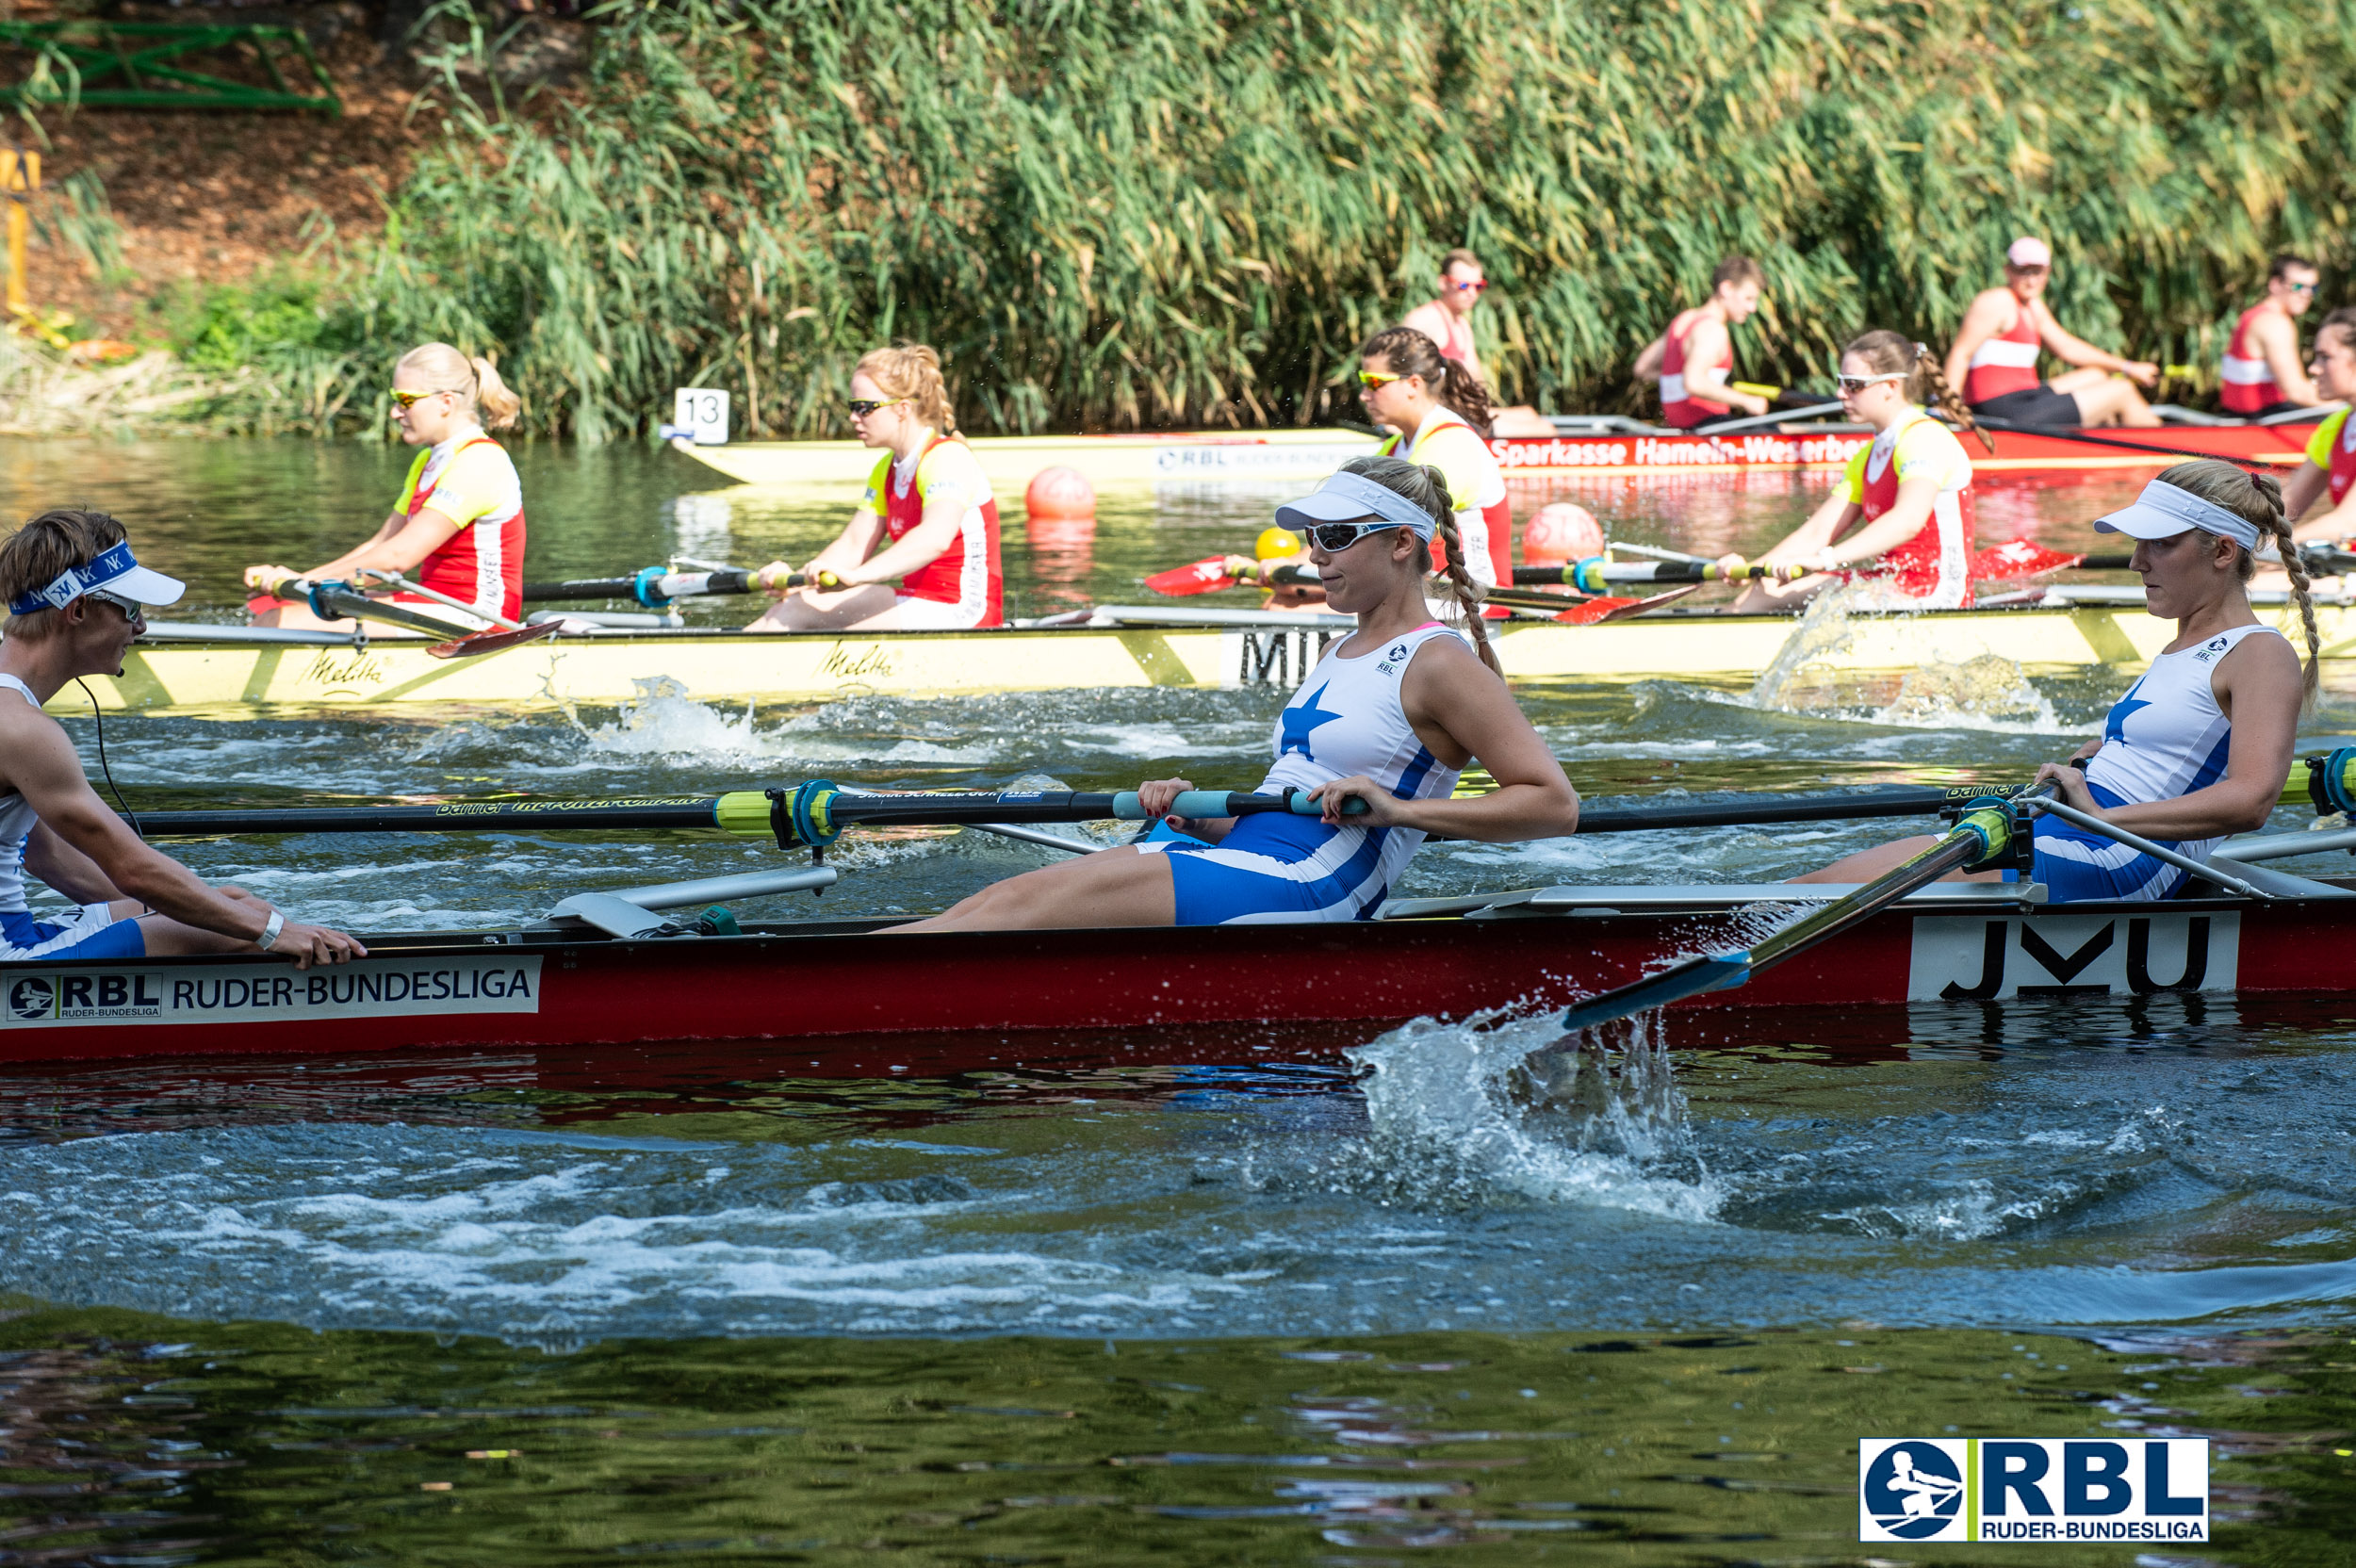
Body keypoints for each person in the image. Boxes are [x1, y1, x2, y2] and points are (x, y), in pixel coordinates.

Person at [892, 457, 1581, 931]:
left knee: (1016, 911)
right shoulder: (1340, 648)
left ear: (1403, 543)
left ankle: (806, 990)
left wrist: (1399, 809)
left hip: (1316, 886)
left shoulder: (1440, 662)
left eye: (1336, 537)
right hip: (1262, 855)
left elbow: (1554, 805)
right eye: (1313, 537)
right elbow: (1291, 805)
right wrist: (1196, 811)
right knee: (995, 902)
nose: (1316, 556)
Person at [1799, 460, 2315, 903]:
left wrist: (2099, 812)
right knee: (1819, 882)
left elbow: (2252, 800)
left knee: (1836, 889)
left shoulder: (2260, 653)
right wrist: (2098, 757)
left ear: (2223, 552)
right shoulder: (2182, 648)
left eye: (2160, 545)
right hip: (2076, 827)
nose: (2137, 562)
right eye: (2139, 545)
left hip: (2119, 856)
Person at [1, 509, 364, 966]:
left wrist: (199, 911)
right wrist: (275, 933)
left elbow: (46, 857)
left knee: (234, 905)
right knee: (248, 929)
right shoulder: (22, 729)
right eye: (130, 610)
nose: (141, 627)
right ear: (76, 611)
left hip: (14, 929)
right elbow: (132, 868)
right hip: (10, 954)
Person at [243, 344, 526, 633]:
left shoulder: (479, 461)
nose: (394, 412)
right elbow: (381, 545)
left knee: (279, 622)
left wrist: (305, 583)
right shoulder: (428, 460)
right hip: (439, 604)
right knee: (278, 610)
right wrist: (302, 583)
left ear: (446, 402)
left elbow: (398, 557)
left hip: (479, 618)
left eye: (405, 400)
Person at [1715, 333, 1981, 612]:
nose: (1841, 393)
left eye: (1854, 385)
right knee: (1765, 589)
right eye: (1841, 383)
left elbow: (1908, 520)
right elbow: (1817, 532)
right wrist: (1750, 570)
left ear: (1890, 386)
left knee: (1787, 594)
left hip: (1938, 593)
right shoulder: (1867, 457)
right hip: (1888, 584)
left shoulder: (1924, 438)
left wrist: (1825, 560)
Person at [748, 345, 1002, 630]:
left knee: (803, 613)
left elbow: (935, 538)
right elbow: (853, 545)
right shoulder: (886, 469)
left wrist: (858, 577)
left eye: (864, 408)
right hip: (919, 603)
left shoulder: (947, 457)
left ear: (902, 409)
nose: (854, 417)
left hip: (964, 612)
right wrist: (795, 582)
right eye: (852, 407)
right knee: (798, 604)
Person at [1943, 237, 2161, 429]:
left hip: (2025, 398)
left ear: (2047, 272)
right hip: (1999, 409)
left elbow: (2067, 347)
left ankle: (2112, 442)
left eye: (2037, 272)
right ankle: (2169, 457)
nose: (2031, 280)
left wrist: (2128, 367)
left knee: (2097, 374)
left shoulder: (2033, 306)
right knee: (2121, 389)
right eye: (2022, 271)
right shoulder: (1996, 300)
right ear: (2007, 271)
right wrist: (1949, 405)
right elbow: (1960, 353)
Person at [1632, 256, 1769, 428]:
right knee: (1794, 435)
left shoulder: (1684, 319)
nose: (1753, 308)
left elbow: (1642, 368)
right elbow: (1694, 382)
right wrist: (1747, 401)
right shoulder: (1712, 330)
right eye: (1749, 298)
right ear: (1726, 288)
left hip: (1684, 428)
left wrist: (1681, 382)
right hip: (1708, 426)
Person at [2219, 254, 2324, 418]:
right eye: (2298, 286)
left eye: (2313, 288)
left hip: (2239, 416)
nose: (2307, 294)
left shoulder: (2252, 315)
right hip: (2259, 421)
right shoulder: (2275, 324)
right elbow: (2297, 392)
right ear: (2275, 285)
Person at [2286, 308, 2356, 545]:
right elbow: (2282, 511)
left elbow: (2348, 522)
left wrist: (2263, 547)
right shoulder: (2336, 426)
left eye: (2325, 357)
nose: (2314, 368)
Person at [1399, 248, 1493, 386]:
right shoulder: (1423, 319)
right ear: (1443, 283)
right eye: (1463, 285)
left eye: (1478, 286)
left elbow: (1477, 380)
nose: (1472, 293)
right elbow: (1401, 374)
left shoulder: (1463, 325)